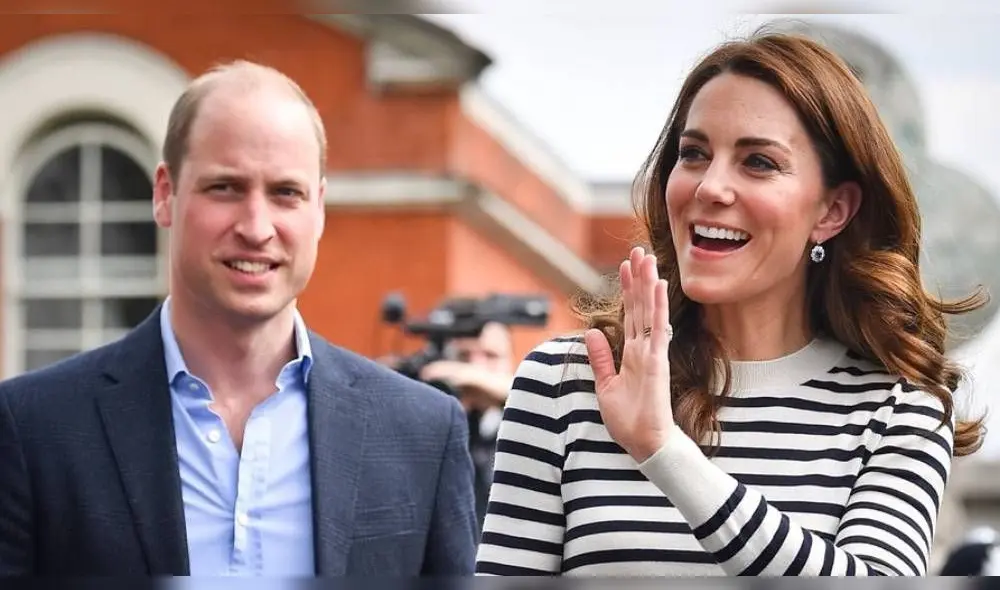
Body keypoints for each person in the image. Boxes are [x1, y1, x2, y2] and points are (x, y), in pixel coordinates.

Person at [475, 30, 985, 577]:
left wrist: (664, 452)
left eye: (759, 162)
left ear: (832, 211)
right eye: (693, 154)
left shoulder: (899, 409)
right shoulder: (565, 382)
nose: (710, 186)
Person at [0, 60, 478, 576]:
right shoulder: (33, 428)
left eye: (285, 193)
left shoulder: (423, 432)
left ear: (319, 208)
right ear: (165, 194)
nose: (256, 227)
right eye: (225, 187)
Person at [419, 322, 516, 529]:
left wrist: (473, 378)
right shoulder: (440, 423)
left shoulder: (525, 417)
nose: (476, 366)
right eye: (465, 356)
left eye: (491, 356)